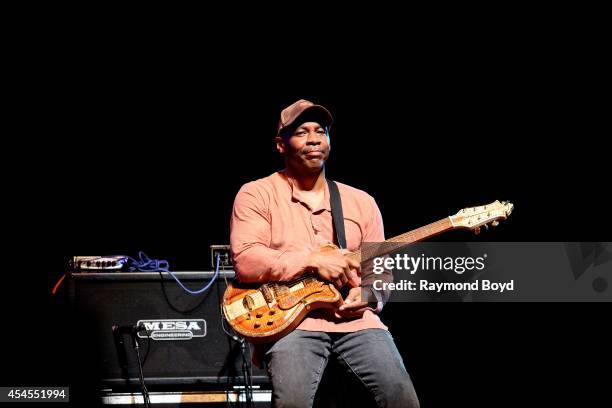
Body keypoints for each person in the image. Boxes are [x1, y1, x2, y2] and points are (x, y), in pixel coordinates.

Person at [230, 99, 419, 408]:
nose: (314, 138)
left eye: (321, 131)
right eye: (302, 132)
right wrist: (312, 259)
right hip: (290, 323)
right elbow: (247, 260)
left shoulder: (361, 202)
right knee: (291, 402)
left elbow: (381, 272)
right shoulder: (256, 193)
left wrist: (372, 296)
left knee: (402, 397)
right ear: (281, 144)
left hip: (355, 321)